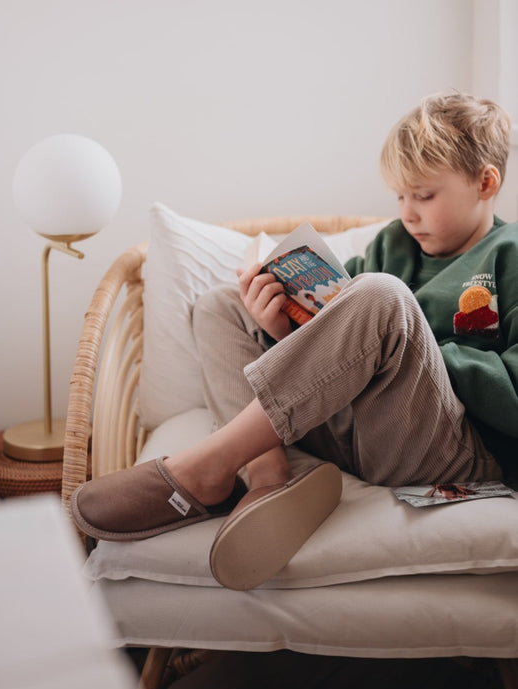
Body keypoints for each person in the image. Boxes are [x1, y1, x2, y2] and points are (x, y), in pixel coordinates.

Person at [72, 90, 516, 591]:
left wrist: (416, 351)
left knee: (381, 298)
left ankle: (211, 467)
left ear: (485, 182)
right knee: (221, 304)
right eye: (400, 196)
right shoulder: (394, 243)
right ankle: (267, 478)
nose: (408, 213)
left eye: (425, 196)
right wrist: (284, 330)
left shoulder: (510, 255)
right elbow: (337, 338)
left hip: (442, 447)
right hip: (351, 429)